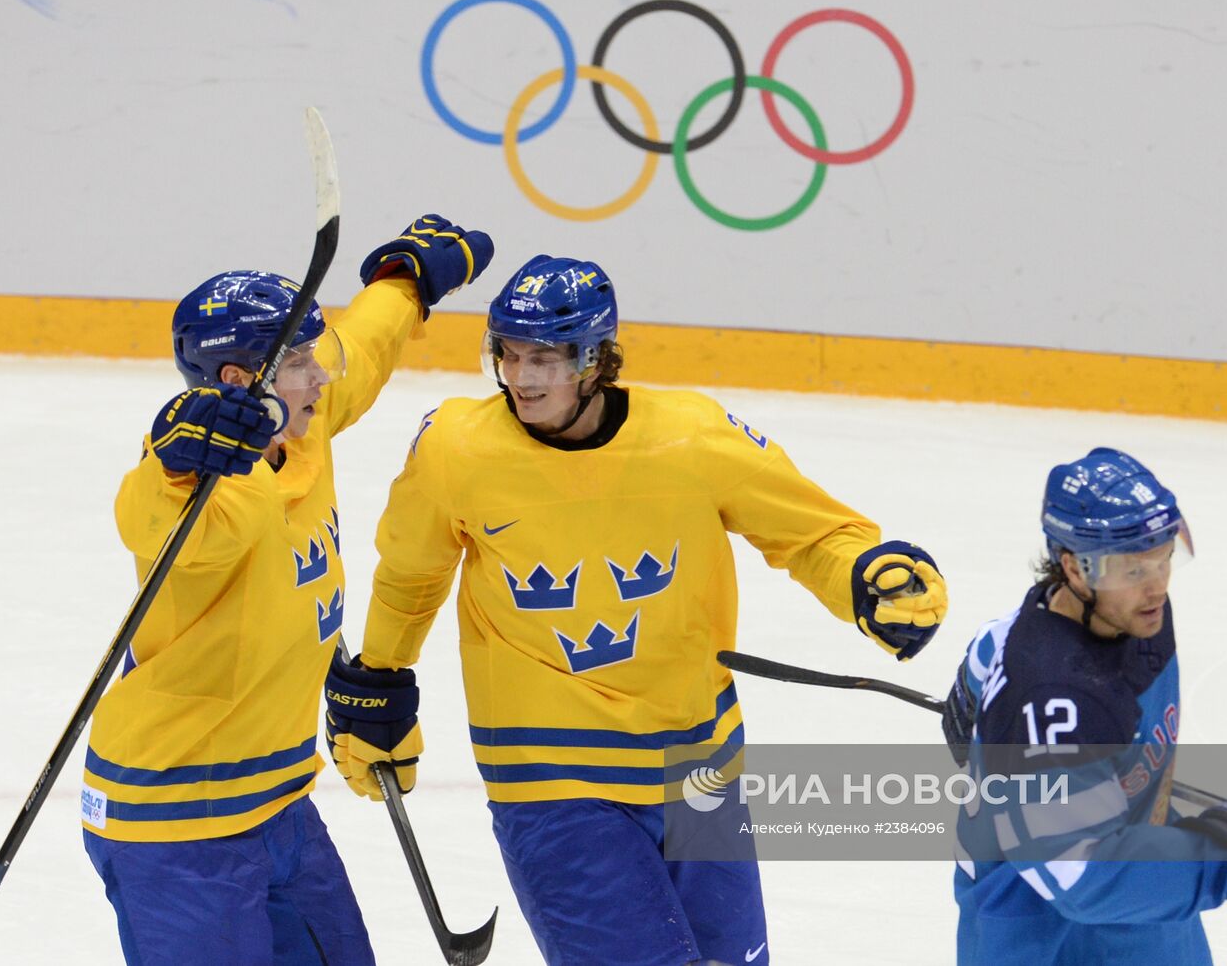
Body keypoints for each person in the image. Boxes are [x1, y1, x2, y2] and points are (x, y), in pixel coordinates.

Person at [321, 254, 951, 966]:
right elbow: (411, 572)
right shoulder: (456, 448)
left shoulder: (690, 437)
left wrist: (865, 577)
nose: (524, 378)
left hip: (699, 762)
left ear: (597, 360)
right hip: (550, 773)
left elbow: (812, 531)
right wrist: (380, 673)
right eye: (510, 353)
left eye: (548, 358)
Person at [80, 213, 494, 965]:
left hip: (276, 802)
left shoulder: (300, 422)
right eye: (300, 359)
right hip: (177, 820)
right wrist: (177, 460)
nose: (322, 374)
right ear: (241, 381)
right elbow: (145, 516)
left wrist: (403, 281)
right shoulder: (208, 493)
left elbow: (359, 349)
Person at [940, 446, 1227, 965]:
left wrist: (972, 690)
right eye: (1133, 568)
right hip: (1043, 929)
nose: (1157, 586)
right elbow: (1079, 876)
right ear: (1074, 570)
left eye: (1164, 556)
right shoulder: (1054, 701)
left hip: (1144, 897)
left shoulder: (1121, 612)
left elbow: (994, 644)